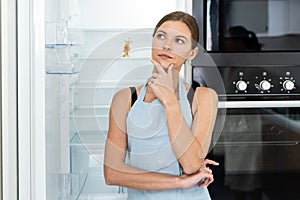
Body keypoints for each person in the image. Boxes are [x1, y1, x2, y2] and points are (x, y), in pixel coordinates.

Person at [104, 11, 219, 200]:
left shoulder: (203, 97)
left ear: (192, 53)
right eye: (161, 36)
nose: (166, 45)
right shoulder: (125, 99)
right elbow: (112, 173)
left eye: (179, 41)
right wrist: (179, 181)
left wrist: (170, 101)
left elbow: (190, 164)